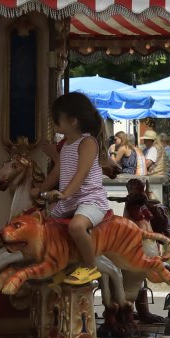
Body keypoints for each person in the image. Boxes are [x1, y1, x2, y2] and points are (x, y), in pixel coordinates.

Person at [42, 93, 112, 286]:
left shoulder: (87, 142)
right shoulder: (66, 146)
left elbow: (82, 173)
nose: (53, 121)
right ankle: (64, 264)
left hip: (91, 200)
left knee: (76, 226)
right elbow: (58, 172)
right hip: (71, 201)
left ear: (72, 121)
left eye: (57, 117)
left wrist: (64, 193)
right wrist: (39, 188)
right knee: (45, 225)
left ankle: (90, 267)